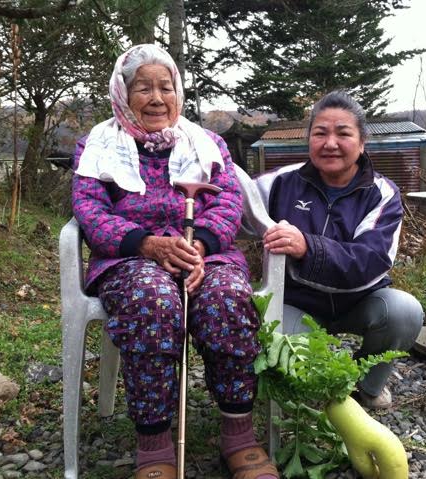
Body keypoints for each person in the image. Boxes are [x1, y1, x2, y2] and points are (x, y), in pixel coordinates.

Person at [72, 44, 278, 479]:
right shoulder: (97, 145)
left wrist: (199, 246)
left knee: (227, 298)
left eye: (165, 87)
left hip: (207, 252)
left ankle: (238, 433)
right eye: (143, 88)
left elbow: (226, 204)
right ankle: (155, 443)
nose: (156, 98)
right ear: (122, 94)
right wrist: (148, 246)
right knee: (154, 301)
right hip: (128, 257)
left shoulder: (207, 144)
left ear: (178, 93)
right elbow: (89, 211)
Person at [257, 90, 424, 409]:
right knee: (279, 348)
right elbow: (232, 203)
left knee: (404, 311)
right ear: (309, 141)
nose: (330, 143)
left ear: (362, 142)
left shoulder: (382, 194)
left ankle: (365, 387)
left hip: (359, 301)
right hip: (296, 302)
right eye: (320, 133)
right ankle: (305, 396)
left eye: (343, 133)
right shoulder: (281, 183)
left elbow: (370, 259)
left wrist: (308, 246)